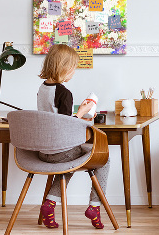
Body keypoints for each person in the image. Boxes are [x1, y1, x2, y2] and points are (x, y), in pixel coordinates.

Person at [37, 44, 110, 229]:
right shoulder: (64, 93)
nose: (73, 72)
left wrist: (80, 114)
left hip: (43, 151)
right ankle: (95, 206)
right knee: (103, 158)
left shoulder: (42, 89)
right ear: (64, 68)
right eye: (73, 68)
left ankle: (50, 204)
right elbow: (66, 125)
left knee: (68, 163)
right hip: (60, 151)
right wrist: (83, 112)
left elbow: (55, 118)